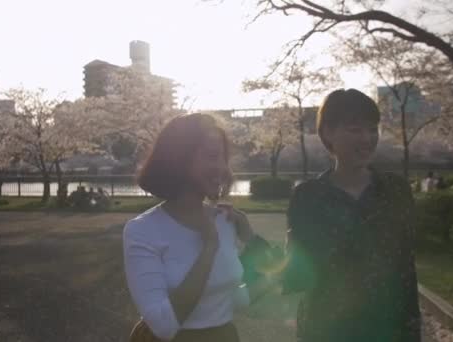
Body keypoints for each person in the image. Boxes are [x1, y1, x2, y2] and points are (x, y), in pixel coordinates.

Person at [123, 113, 276, 342]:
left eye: (224, 158)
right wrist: (209, 248)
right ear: (178, 159)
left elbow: (231, 299)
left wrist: (251, 238)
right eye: (212, 156)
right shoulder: (142, 230)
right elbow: (162, 325)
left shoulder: (226, 221)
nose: (222, 168)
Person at [282, 89, 421, 342]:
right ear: (327, 133)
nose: (367, 138)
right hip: (326, 329)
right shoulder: (307, 197)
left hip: (387, 328)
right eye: (355, 130)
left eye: (372, 129)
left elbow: (405, 269)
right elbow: (296, 277)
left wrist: (411, 332)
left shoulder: (396, 190)